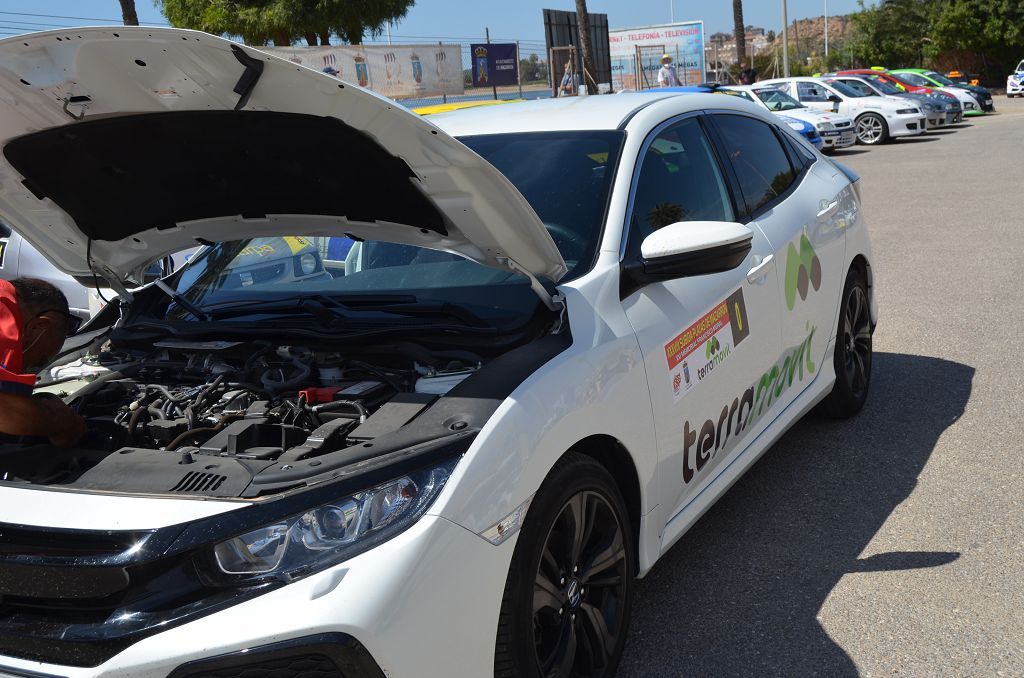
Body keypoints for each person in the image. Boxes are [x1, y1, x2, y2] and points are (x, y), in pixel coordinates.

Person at [0, 278, 87, 447]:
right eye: (41, 359)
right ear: (38, 328)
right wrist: (58, 422)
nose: (29, 369)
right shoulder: (4, 316)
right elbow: (4, 408)